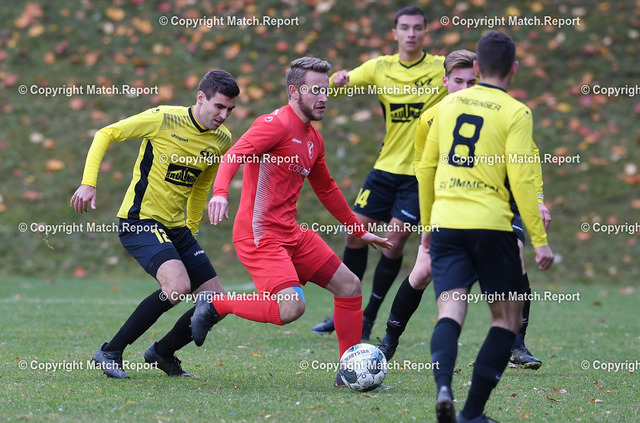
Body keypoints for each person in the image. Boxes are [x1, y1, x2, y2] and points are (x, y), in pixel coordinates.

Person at [189, 57, 392, 387]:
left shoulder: (314, 139)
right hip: (260, 234)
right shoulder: (274, 124)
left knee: (350, 286)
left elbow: (326, 188)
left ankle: (348, 371)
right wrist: (221, 193)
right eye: (315, 90)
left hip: (291, 232)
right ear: (295, 92)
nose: (323, 97)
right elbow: (234, 155)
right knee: (291, 309)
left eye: (326, 90)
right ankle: (217, 303)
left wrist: (358, 230)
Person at [377, 50, 551, 371]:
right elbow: (422, 167)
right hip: (451, 201)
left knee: (515, 257)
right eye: (458, 81)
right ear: (445, 82)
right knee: (423, 271)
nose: (466, 87)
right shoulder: (431, 118)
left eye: (472, 81)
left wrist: (537, 198)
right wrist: (428, 215)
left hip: (501, 198)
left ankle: (517, 345)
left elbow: (530, 153)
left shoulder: (501, 109)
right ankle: (389, 340)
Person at [416, 31, 554, 422]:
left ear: (476, 67)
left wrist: (427, 225)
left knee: (449, 312)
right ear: (514, 68)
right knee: (506, 320)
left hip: (446, 223)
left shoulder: (445, 106)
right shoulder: (516, 112)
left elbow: (425, 168)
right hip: (492, 226)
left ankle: (444, 388)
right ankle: (472, 412)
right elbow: (522, 179)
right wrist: (539, 240)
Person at [70, 70, 239, 379]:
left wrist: (192, 227)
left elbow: (202, 185)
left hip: (177, 228)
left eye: (230, 109)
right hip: (140, 220)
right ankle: (110, 351)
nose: (224, 115)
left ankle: (162, 352)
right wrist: (88, 183)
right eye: (219, 106)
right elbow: (106, 133)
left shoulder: (222, 139)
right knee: (177, 287)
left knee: (218, 302)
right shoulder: (164, 119)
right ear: (200, 98)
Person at [311, 6, 447, 340]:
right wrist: (337, 80)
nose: (411, 34)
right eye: (405, 28)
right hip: (385, 169)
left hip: (420, 174)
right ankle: (346, 310)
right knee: (354, 234)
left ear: (425, 32)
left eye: (417, 28)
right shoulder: (380, 67)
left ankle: (369, 316)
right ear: (394, 33)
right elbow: (334, 88)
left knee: (392, 242)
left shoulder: (442, 68)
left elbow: (474, 79)